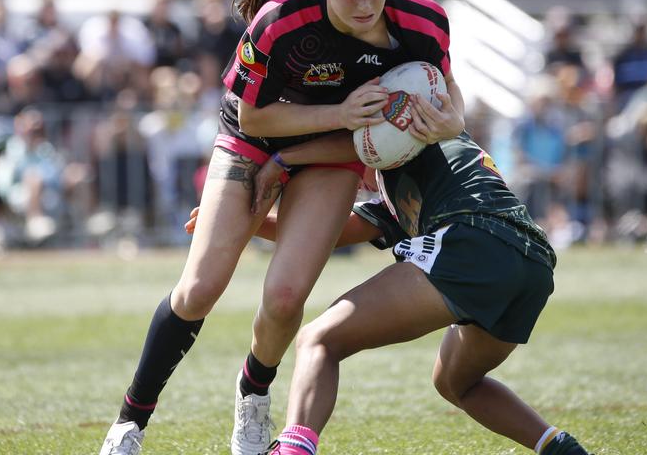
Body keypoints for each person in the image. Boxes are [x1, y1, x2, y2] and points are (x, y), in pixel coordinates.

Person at [98, 0, 465, 455]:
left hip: (334, 151)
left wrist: (451, 121)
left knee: (288, 296)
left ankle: (253, 394)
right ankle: (130, 422)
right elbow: (253, 116)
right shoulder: (279, 20)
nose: (366, 5)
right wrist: (339, 115)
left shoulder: (423, 20)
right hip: (256, 136)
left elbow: (448, 94)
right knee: (199, 290)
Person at [235, 125, 594, 455]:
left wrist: (286, 158)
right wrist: (244, 224)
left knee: (319, 339)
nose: (355, 182)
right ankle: (560, 448)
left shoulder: (399, 133)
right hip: (532, 262)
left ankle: (293, 450)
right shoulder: (407, 164)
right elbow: (336, 232)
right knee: (456, 382)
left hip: (473, 241)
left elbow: (362, 136)